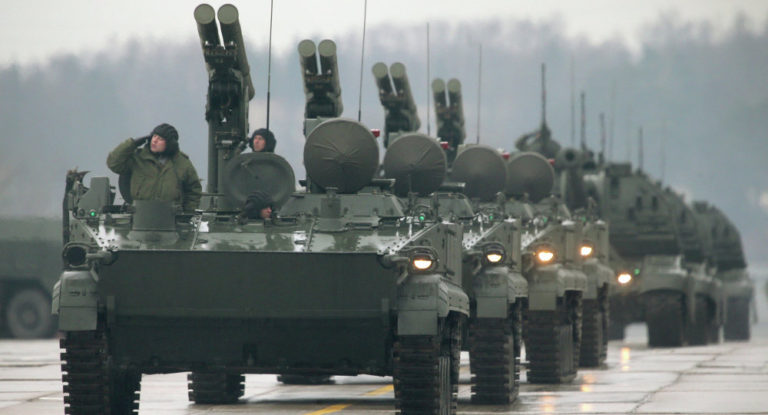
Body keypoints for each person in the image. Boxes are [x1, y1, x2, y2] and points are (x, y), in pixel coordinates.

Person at [107, 123, 202, 211]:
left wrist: (187, 213)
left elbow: (193, 191)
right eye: (154, 136)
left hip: (171, 217)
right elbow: (113, 163)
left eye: (160, 139)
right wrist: (132, 144)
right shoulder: (138, 158)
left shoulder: (182, 163)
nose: (155, 140)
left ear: (169, 144)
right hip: (140, 215)